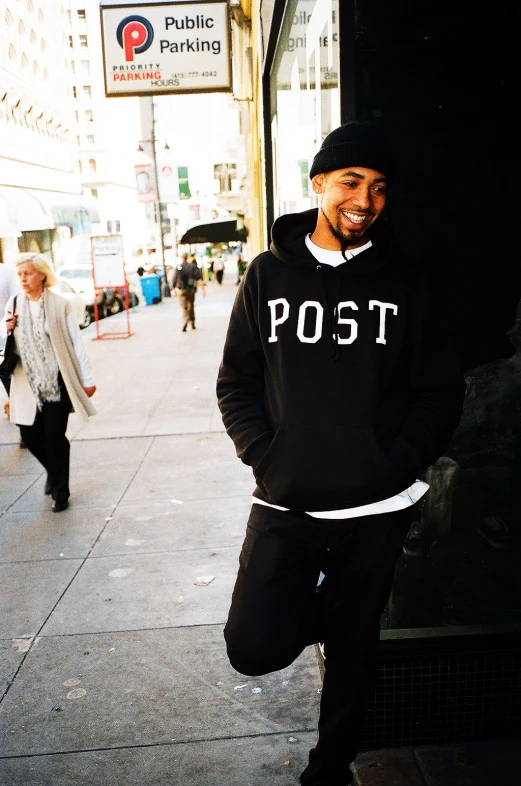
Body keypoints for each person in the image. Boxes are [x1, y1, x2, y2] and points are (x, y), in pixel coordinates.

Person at [216, 122, 465, 786]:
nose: (365, 199)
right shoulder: (268, 274)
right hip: (285, 498)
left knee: (355, 650)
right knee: (251, 645)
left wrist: (395, 461)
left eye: (379, 188)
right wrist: (264, 455)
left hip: (376, 505)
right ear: (319, 183)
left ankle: (329, 768)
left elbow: (440, 391)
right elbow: (236, 380)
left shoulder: (408, 281)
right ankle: (334, 610)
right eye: (351, 182)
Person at [2, 253, 97, 512]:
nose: (22, 278)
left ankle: (61, 491)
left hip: (57, 382)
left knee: (54, 436)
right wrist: (5, 327)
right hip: (27, 382)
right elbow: (3, 337)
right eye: (19, 274)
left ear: (42, 274)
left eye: (28, 273)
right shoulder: (14, 303)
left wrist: (87, 379)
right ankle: (53, 471)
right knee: (30, 436)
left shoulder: (59, 304)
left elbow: (76, 343)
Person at [173, 254, 205, 331]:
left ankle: (185, 322)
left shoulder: (179, 267)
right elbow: (198, 278)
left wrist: (174, 289)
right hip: (191, 290)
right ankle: (192, 322)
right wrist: (203, 289)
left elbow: (174, 279)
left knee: (184, 307)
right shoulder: (192, 266)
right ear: (187, 258)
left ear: (182, 258)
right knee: (191, 306)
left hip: (182, 290)